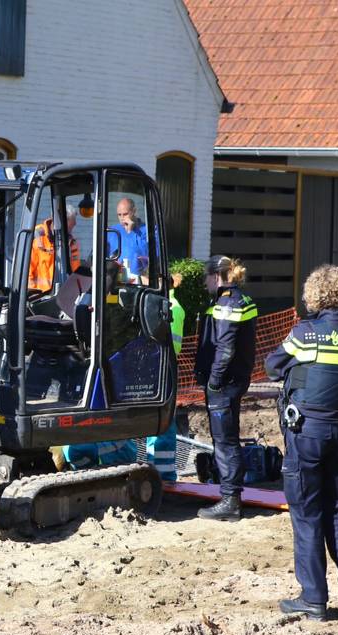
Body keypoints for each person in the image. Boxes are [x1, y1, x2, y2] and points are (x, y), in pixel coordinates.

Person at [265, 265, 338, 620]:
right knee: (337, 510)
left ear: (315, 296)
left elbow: (272, 366)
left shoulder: (305, 334)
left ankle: (313, 599)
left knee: (307, 513)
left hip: (307, 434)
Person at [193, 256, 257, 521]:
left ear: (216, 276)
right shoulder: (239, 299)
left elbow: (226, 347)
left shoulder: (228, 302)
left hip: (225, 382)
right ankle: (230, 494)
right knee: (226, 439)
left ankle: (230, 501)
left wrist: (214, 380)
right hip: (234, 380)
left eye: (206, 278)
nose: (205, 283)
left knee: (224, 441)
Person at [145, 273, 187, 483]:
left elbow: (174, 345)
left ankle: (164, 475)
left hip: (163, 370)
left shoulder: (172, 307)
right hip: (158, 368)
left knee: (163, 422)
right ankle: (158, 472)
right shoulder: (163, 304)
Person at [28, 207, 82, 292]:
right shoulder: (37, 236)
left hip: (62, 295)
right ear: (61, 221)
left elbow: (76, 271)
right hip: (39, 296)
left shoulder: (72, 242)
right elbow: (29, 269)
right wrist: (31, 294)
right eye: (71, 225)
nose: (73, 228)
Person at [108, 197, 148, 284]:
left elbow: (146, 254)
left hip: (139, 281)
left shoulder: (147, 230)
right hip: (115, 281)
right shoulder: (112, 231)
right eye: (119, 215)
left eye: (125, 214)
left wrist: (130, 232)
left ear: (134, 211)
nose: (122, 218)